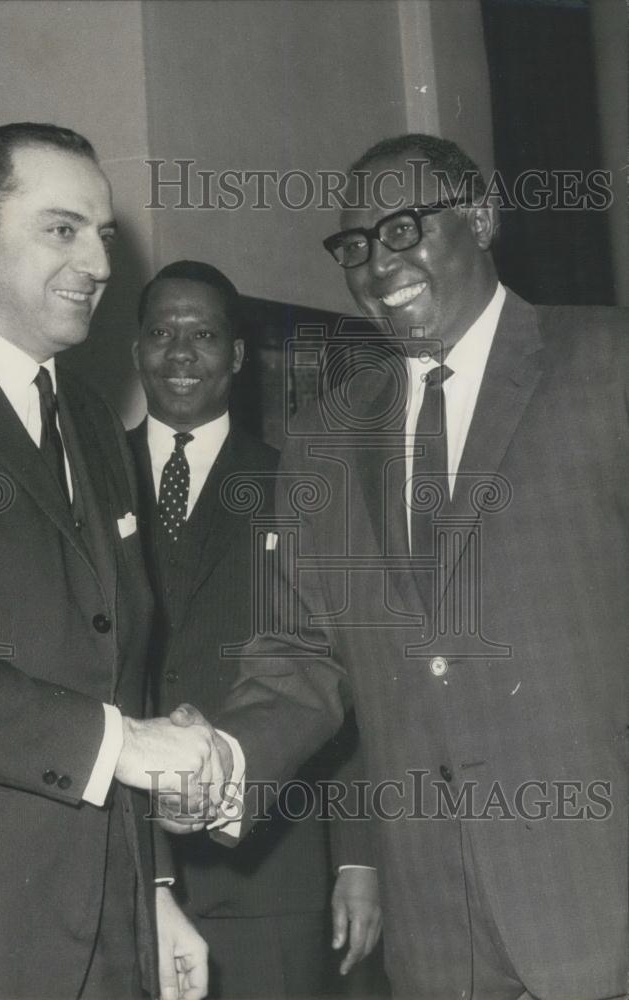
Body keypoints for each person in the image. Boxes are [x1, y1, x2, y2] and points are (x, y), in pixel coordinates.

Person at [169, 135, 629, 999]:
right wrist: (226, 759)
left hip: (598, 899)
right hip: (435, 937)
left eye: (404, 228)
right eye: (354, 246)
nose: (379, 265)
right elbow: (302, 653)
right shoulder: (324, 438)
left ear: (482, 217)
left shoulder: (605, 364)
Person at [0, 122, 218, 1000]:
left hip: (112, 930)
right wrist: (127, 746)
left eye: (101, 234)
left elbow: (117, 656)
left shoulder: (95, 420)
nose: (98, 263)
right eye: (62, 229)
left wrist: (157, 889)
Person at [128, 260, 380, 998]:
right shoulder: (85, 480)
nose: (180, 354)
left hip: (272, 867)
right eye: (160, 334)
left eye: (203, 334)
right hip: (123, 866)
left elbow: (344, 675)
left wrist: (356, 859)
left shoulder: (299, 485)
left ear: (237, 355)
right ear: (136, 348)